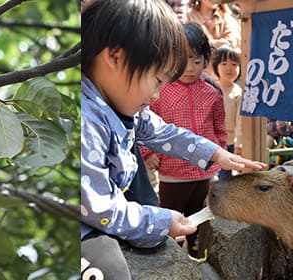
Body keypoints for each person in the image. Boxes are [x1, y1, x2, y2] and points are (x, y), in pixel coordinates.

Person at [81, 1, 267, 279]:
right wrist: (159, 222)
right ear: (116, 57)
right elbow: (100, 208)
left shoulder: (125, 107)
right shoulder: (87, 121)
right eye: (157, 80)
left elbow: (165, 132)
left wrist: (216, 153)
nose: (156, 95)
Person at [140, 22, 226, 257]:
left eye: (197, 61)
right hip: (172, 172)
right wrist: (148, 154)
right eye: (184, 61)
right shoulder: (160, 90)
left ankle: (198, 254)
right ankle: (172, 258)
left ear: (206, 60)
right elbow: (143, 126)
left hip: (205, 171)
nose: (190, 68)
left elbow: (220, 127)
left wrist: (220, 153)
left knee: (201, 215)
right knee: (171, 216)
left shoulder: (212, 92)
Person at [212, 44, 242, 180]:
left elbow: (240, 121)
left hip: (228, 142)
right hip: (210, 141)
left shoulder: (238, 93)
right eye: (224, 63)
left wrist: (238, 144)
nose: (229, 68)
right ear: (216, 66)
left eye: (234, 64)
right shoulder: (210, 88)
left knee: (224, 178)